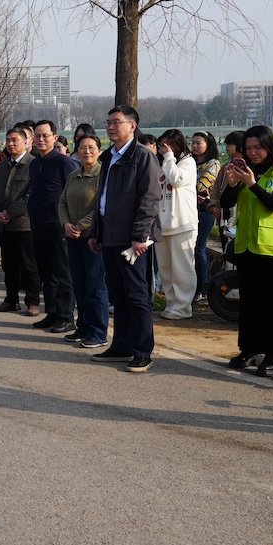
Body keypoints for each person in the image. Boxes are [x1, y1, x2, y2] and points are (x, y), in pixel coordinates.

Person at [219, 125, 273, 375]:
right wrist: (233, 184)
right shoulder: (247, 171)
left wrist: (252, 185)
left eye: (258, 148)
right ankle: (250, 348)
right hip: (246, 246)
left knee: (271, 304)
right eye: (248, 148)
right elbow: (226, 204)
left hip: (272, 249)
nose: (253, 153)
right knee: (249, 302)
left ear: (270, 147)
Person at [88, 105, 163, 373]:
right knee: (118, 294)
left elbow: (150, 198)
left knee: (137, 294)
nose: (110, 127)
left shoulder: (142, 156)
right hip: (109, 234)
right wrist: (96, 232)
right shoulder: (109, 156)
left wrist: (140, 235)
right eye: (108, 122)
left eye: (116, 122)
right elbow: (103, 198)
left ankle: (142, 350)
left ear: (132, 126)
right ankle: (121, 345)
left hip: (133, 239)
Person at [28, 120, 80, 332]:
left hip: (58, 225)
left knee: (62, 272)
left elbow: (72, 194)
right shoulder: (34, 164)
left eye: (45, 135)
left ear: (55, 138)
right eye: (37, 136)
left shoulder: (63, 163)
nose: (41, 139)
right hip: (38, 225)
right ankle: (52, 312)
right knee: (46, 273)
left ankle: (66, 316)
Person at [60, 134, 108, 348]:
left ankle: (98, 332)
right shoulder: (73, 175)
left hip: (93, 239)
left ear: (99, 150)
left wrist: (81, 225)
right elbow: (62, 203)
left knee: (95, 286)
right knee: (78, 283)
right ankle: (83, 327)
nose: (86, 151)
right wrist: (66, 225)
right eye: (82, 148)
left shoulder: (103, 175)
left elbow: (101, 206)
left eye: (91, 147)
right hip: (73, 238)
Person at [0, 128, 41, 317]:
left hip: (24, 224)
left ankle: (33, 301)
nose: (11, 144)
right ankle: (11, 300)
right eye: (8, 140)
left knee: (29, 264)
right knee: (9, 265)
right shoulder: (3, 166)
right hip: (4, 224)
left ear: (27, 142)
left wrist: (10, 213)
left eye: (15, 140)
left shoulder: (33, 164)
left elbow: (31, 195)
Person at [156, 129, 199, 320]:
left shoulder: (187, 162)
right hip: (163, 224)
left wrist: (169, 157)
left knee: (182, 268)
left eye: (169, 145)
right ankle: (171, 303)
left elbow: (176, 179)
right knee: (166, 269)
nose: (165, 149)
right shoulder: (164, 163)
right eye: (162, 146)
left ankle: (183, 307)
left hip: (182, 223)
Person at [190, 131, 221, 300]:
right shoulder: (189, 162)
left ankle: (204, 287)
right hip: (190, 208)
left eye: (199, 143)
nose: (194, 146)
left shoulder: (213, 165)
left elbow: (201, 187)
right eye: (193, 142)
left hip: (204, 210)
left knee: (199, 247)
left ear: (208, 145)